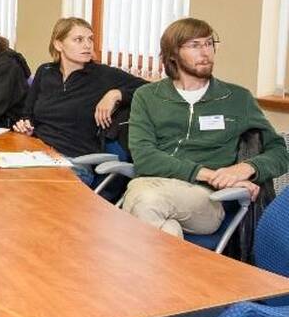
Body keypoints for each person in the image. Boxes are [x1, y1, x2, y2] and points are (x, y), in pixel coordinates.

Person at [120, 17, 289, 238]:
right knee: (165, 228)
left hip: (208, 199)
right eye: (195, 45)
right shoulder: (148, 96)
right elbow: (144, 157)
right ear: (173, 54)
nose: (205, 52)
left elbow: (280, 152)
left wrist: (247, 168)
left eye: (209, 43)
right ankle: (176, 258)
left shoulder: (237, 98)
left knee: (143, 199)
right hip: (154, 183)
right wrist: (208, 174)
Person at [12, 17, 145, 185]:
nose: (87, 45)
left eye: (90, 39)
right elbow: (27, 114)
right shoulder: (45, 71)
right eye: (79, 40)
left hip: (74, 161)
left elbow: (149, 90)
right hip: (36, 154)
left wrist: (116, 94)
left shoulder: (103, 75)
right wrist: (26, 126)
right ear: (58, 44)